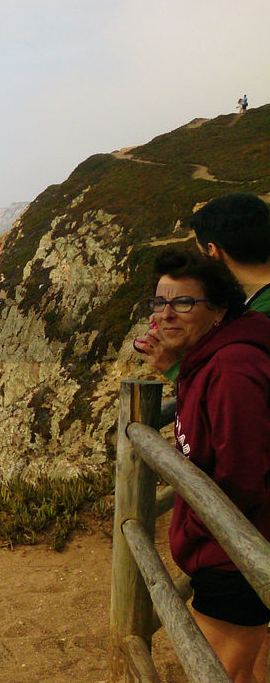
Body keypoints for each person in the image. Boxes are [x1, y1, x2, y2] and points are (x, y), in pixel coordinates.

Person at [147, 250, 270, 683]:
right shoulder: (211, 359)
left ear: (218, 309)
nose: (166, 315)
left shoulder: (233, 368)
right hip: (229, 548)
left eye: (184, 303)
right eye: (159, 303)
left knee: (217, 674)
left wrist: (199, 533)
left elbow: (241, 475)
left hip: (235, 553)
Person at [138, 193, 270, 376]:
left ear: (212, 250)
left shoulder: (261, 316)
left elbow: (224, 385)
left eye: (200, 252)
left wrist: (174, 366)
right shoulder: (258, 301)